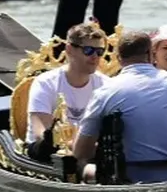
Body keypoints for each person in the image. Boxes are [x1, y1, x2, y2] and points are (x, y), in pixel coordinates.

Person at [73, 31, 167, 184]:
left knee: (84, 168)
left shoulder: (103, 93)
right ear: (151, 55)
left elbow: (80, 151)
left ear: (119, 59)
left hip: (130, 177)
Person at [25, 22, 109, 161]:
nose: (95, 57)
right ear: (69, 50)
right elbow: (42, 134)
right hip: (46, 153)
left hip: (89, 152)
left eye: (100, 51)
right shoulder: (45, 83)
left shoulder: (106, 85)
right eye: (88, 50)